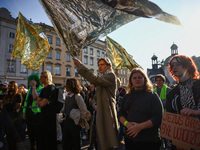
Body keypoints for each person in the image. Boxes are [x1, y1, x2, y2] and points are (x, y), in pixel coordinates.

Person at [73, 57, 119, 150]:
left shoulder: (111, 76)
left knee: (106, 142)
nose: (99, 67)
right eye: (98, 65)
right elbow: (95, 97)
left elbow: (96, 80)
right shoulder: (103, 77)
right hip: (99, 113)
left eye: (102, 64)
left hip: (106, 113)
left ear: (108, 66)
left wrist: (81, 66)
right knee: (99, 141)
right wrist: (94, 104)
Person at [118, 68, 163, 150]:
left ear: (144, 79)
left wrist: (140, 127)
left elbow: (158, 117)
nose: (137, 80)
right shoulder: (127, 97)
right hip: (130, 139)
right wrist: (127, 124)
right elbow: (121, 114)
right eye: (134, 78)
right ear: (131, 80)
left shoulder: (153, 96)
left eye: (140, 77)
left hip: (149, 140)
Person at [166, 55, 200, 149]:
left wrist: (194, 111)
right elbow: (171, 118)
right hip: (182, 141)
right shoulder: (171, 94)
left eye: (178, 64)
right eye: (172, 65)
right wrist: (176, 141)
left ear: (187, 66)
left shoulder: (198, 85)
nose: (174, 67)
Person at [62, 78, 91, 150]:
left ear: (72, 85)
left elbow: (84, 110)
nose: (66, 86)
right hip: (67, 123)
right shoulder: (67, 96)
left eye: (67, 84)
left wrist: (79, 120)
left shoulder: (77, 97)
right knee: (66, 144)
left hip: (74, 124)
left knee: (75, 144)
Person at [35, 70, 57, 150]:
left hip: (49, 118)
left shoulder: (50, 88)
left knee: (48, 138)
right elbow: (37, 101)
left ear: (46, 78)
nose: (40, 79)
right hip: (43, 116)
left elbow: (41, 104)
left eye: (41, 77)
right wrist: (41, 101)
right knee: (42, 138)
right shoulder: (44, 89)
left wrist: (41, 102)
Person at [22, 74, 43, 150]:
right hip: (29, 114)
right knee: (31, 135)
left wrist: (34, 87)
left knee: (38, 135)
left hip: (37, 114)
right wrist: (24, 113)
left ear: (36, 81)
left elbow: (35, 97)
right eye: (30, 82)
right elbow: (26, 102)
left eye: (31, 81)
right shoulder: (30, 90)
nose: (30, 83)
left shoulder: (41, 89)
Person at [0, 81, 22, 150]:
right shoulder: (7, 96)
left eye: (11, 86)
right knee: (8, 138)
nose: (9, 87)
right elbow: (2, 105)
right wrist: (4, 106)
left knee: (12, 139)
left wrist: (7, 106)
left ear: (15, 86)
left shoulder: (18, 95)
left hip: (13, 119)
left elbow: (17, 106)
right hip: (4, 118)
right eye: (9, 85)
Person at [0, 82, 8, 148]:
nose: (3, 87)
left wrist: (2, 101)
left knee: (3, 128)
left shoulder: (8, 94)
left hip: (5, 113)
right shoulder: (1, 93)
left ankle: (2, 141)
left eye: (5, 86)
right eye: (3, 86)